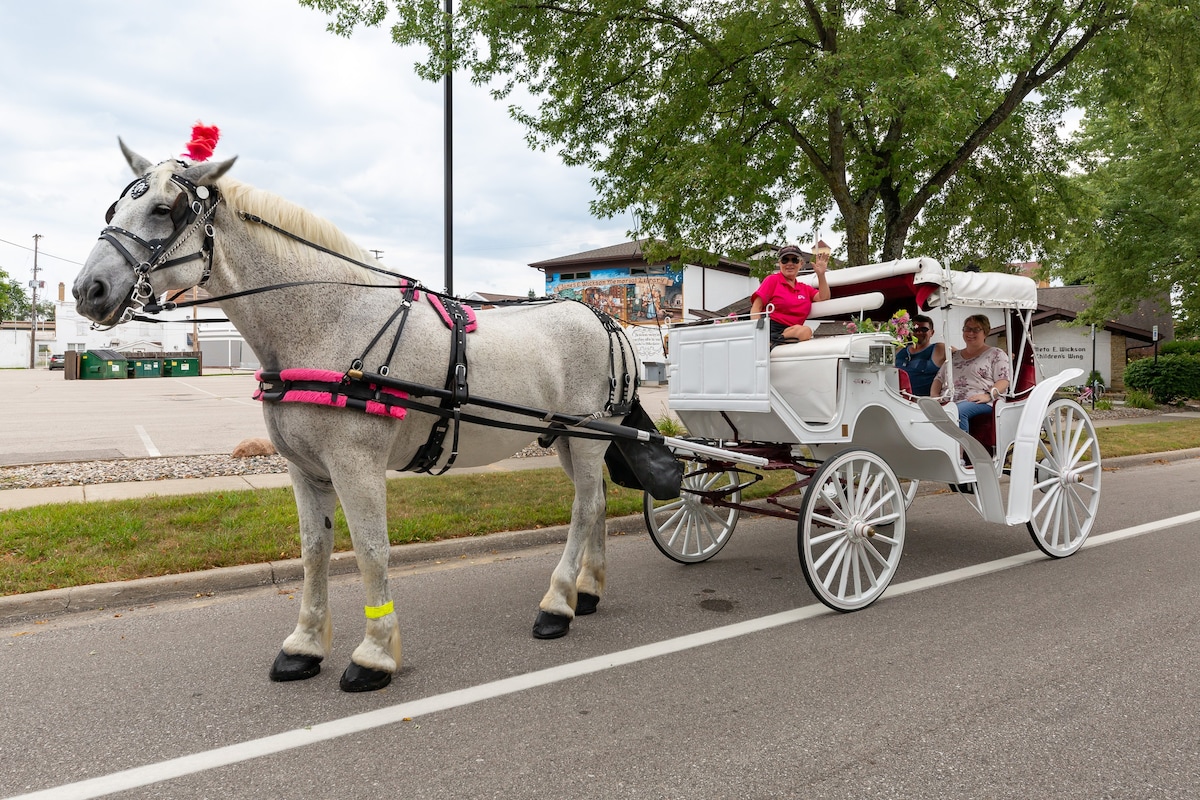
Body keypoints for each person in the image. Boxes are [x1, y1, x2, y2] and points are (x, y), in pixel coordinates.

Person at [930, 314, 1011, 433]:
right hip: (950, 398)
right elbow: (939, 378)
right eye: (967, 329)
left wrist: (988, 396)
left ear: (985, 332)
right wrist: (934, 396)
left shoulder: (996, 354)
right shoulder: (954, 356)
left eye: (976, 329)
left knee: (957, 412)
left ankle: (960, 450)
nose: (970, 333)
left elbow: (1003, 381)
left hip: (981, 399)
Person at [751, 244, 831, 347]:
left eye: (794, 260)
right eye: (785, 260)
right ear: (780, 263)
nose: (790, 264)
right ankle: (769, 343)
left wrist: (821, 275)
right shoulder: (772, 280)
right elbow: (756, 307)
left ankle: (774, 343)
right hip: (770, 328)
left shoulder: (804, 288)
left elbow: (824, 297)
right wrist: (759, 333)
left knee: (806, 331)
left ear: (801, 264)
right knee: (805, 331)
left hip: (792, 331)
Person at [895, 314, 946, 395]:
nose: (919, 332)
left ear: (932, 333)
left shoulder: (939, 348)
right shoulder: (900, 349)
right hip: (896, 399)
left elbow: (965, 356)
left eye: (924, 329)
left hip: (921, 402)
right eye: (915, 329)